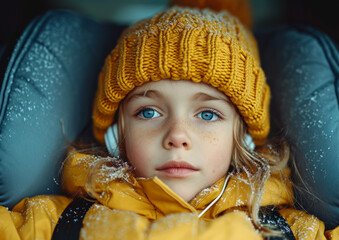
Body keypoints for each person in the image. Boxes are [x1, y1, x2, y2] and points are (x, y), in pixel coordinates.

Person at [0, 0, 338, 239]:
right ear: (118, 134)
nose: (177, 135)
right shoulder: (48, 223)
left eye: (207, 114)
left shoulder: (297, 232)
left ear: (244, 138)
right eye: (148, 112)